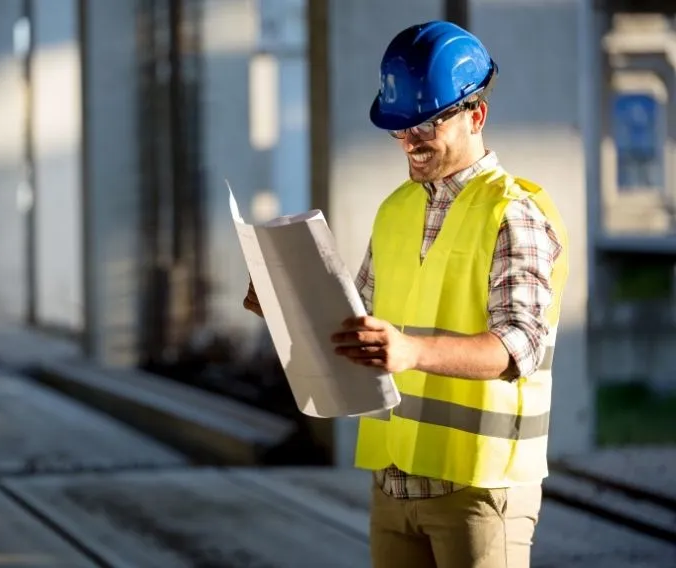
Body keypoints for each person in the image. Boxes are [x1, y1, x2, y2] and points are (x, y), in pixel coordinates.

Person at [244, 19, 569, 568]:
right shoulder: (396, 210)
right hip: (394, 484)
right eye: (400, 126)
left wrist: (411, 350)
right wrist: (286, 308)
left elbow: (519, 346)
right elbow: (358, 332)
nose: (410, 140)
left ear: (476, 115)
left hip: (479, 491)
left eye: (426, 124)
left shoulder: (513, 214)